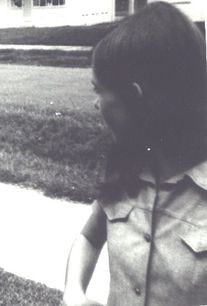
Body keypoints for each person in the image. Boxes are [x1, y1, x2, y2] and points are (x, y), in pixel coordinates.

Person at [62, 2, 207, 306]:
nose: (96, 104)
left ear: (135, 96)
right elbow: (88, 238)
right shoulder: (125, 168)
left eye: (98, 90)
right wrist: (74, 292)